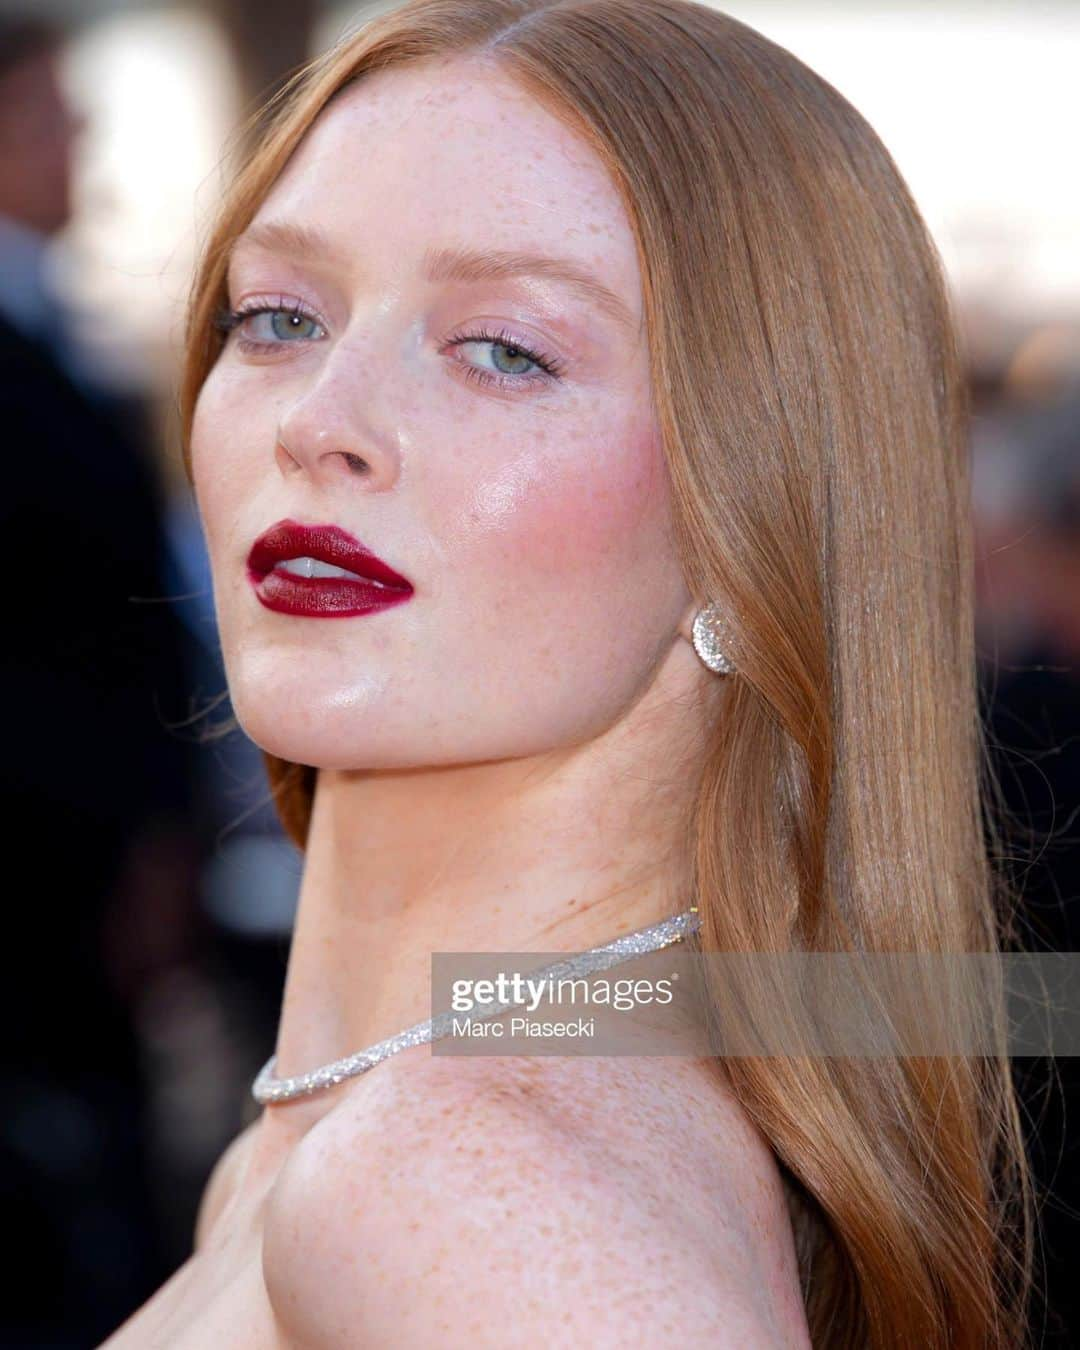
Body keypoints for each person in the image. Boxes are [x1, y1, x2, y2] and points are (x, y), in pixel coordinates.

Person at [99, 1, 1035, 1345]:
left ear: (753, 519)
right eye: (280, 315)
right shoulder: (366, 1146)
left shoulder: (456, 1183)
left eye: (504, 349)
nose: (319, 423)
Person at [0, 16, 201, 1346]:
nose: (82, 143)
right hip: (39, 911)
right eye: (54, 112)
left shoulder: (51, 335)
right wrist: (129, 846)